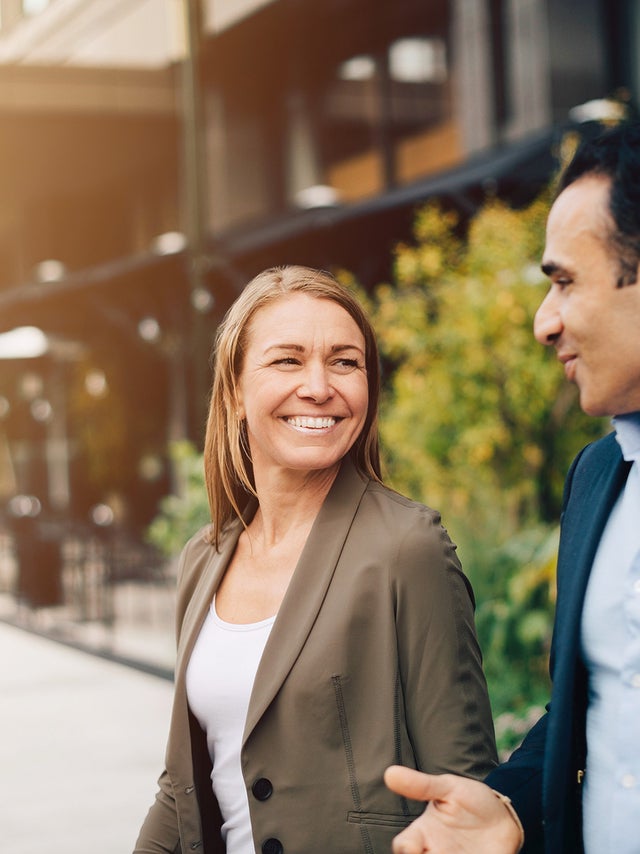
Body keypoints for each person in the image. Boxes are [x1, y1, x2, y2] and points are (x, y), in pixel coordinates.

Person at [134, 265, 497, 854]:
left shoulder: (408, 549)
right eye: (287, 360)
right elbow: (182, 793)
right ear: (234, 392)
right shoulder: (202, 559)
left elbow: (465, 794)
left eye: (345, 361)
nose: (320, 386)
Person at [385, 118, 640, 854]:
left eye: (564, 282)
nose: (543, 323)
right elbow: (590, 706)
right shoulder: (597, 478)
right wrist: (513, 806)